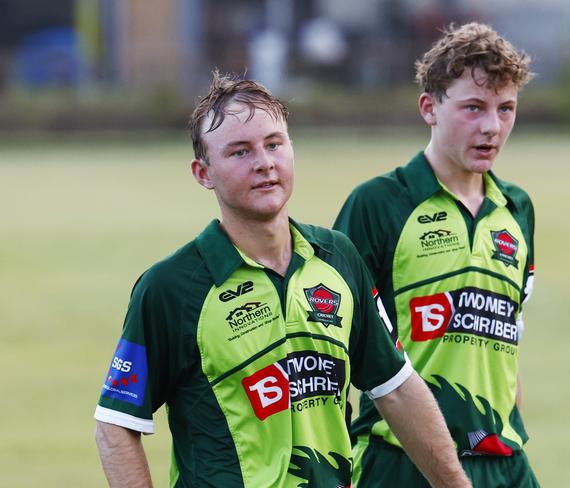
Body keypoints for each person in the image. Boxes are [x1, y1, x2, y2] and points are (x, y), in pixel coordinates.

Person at [93, 70, 470, 488]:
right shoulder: (170, 288)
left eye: (274, 144)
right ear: (203, 173)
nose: (264, 163)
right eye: (239, 152)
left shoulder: (339, 258)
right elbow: (116, 426)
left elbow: (396, 388)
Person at [334, 22, 539, 487]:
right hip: (401, 461)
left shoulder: (517, 209)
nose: (492, 126)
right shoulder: (378, 203)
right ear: (429, 107)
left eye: (506, 109)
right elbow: (334, 347)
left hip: (504, 458)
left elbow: (506, 342)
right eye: (473, 108)